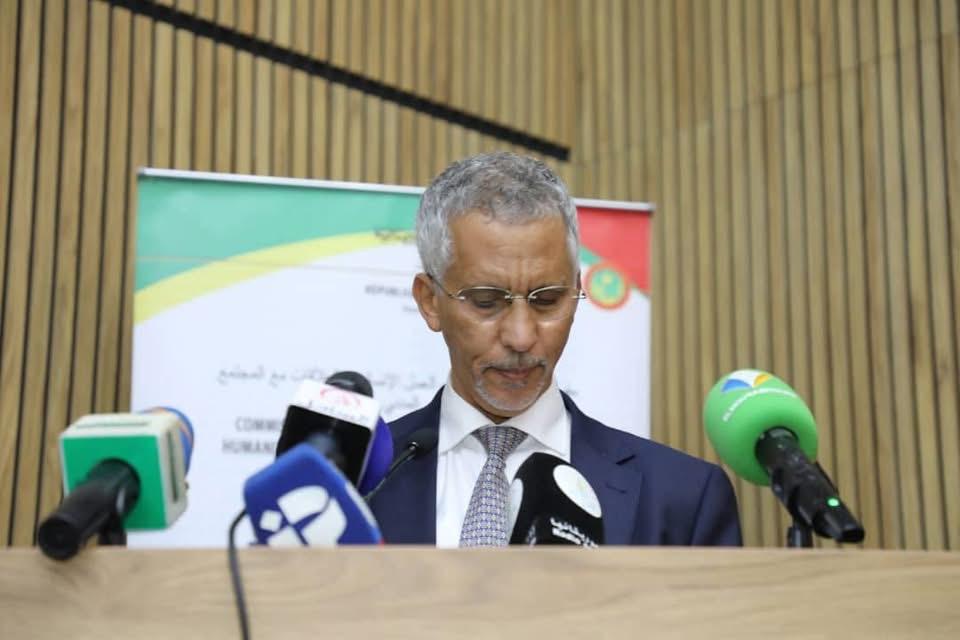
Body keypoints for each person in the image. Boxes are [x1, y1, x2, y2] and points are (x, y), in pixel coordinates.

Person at [369, 152, 741, 546]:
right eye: (487, 301)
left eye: (547, 300)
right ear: (430, 301)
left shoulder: (683, 499)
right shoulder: (356, 485)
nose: (521, 337)